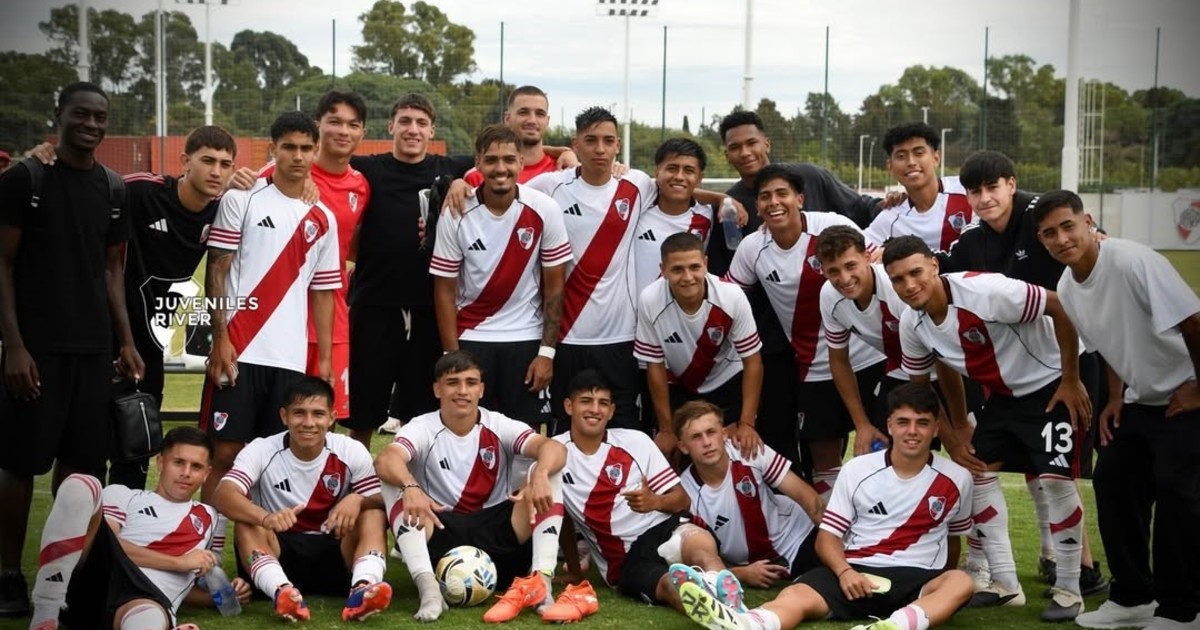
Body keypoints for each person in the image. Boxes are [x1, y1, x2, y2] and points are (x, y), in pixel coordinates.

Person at [884, 235, 1092, 621]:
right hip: (1004, 394)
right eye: (898, 279)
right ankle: (1006, 585)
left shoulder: (986, 291)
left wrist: (1070, 378)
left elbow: (1060, 306)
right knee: (976, 473)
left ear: (934, 265)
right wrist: (955, 433)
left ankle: (1070, 589)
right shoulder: (911, 322)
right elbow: (927, 384)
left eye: (916, 273)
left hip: (1052, 380)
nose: (909, 285)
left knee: (1056, 481)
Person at [0, 81, 144, 617]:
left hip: (93, 352)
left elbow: (112, 270)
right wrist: (14, 346)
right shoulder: (26, 179)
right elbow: (3, 264)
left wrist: (125, 341)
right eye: (81, 114)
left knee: (82, 470)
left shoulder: (113, 188)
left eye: (100, 116)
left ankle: (60, 582)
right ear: (58, 114)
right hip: (36, 350)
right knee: (19, 464)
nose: (91, 124)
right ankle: (8, 576)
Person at [674, 383, 975, 630]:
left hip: (916, 577)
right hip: (856, 569)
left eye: (922, 423)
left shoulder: (958, 479)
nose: (912, 431)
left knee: (960, 582)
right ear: (889, 425)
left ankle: (895, 626)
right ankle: (747, 624)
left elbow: (953, 542)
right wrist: (844, 571)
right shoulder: (857, 470)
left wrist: (937, 583)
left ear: (936, 428)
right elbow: (828, 536)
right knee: (795, 593)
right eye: (903, 422)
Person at [941, 150, 1106, 597]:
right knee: (1006, 464)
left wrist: (1072, 378)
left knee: (1059, 469)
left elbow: (1088, 251)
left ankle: (1082, 570)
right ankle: (1013, 567)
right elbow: (939, 276)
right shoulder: (970, 241)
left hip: (1072, 360)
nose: (984, 198)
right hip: (1016, 370)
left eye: (992, 187)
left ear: (1011, 185)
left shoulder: (1041, 216)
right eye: (975, 191)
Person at [1034, 190, 1200, 630]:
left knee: (1177, 490)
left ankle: (1184, 610)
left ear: (1088, 223)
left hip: (1187, 394)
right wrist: (1114, 397)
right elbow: (1109, 343)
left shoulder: (1130, 261)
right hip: (1141, 399)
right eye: (1049, 233)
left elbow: (1193, 321)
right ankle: (1133, 598)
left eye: (1068, 226)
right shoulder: (1068, 287)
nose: (1061, 239)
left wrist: (1199, 390)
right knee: (1113, 479)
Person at [708, 111, 881, 481]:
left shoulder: (832, 225)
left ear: (800, 198)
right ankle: (828, 519)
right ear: (757, 206)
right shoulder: (752, 247)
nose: (774, 202)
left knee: (885, 448)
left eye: (782, 194)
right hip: (814, 363)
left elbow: (877, 262)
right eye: (765, 197)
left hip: (868, 354)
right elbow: (727, 296)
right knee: (823, 459)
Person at [199, 111, 340, 504]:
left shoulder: (323, 218)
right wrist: (220, 338)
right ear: (272, 149)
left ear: (316, 151)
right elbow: (217, 271)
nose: (298, 156)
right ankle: (207, 537)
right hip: (239, 349)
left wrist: (324, 360)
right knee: (224, 452)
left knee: (273, 457)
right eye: (289, 147)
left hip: (289, 358)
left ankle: (262, 542)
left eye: (306, 148)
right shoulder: (241, 199)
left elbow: (323, 293)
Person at [374, 350, 568, 623]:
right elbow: (385, 459)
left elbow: (554, 448)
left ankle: (542, 584)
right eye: (453, 383)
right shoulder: (421, 427)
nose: (462, 391)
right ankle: (429, 590)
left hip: (500, 534)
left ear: (481, 389)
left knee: (549, 472)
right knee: (394, 481)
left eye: (471, 382)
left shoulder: (499, 424)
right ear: (437, 389)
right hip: (442, 532)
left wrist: (540, 473)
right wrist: (410, 486)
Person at [553, 370, 745, 617]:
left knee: (701, 552)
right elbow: (561, 515)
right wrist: (574, 570)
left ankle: (728, 600)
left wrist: (655, 501)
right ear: (569, 406)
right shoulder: (555, 452)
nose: (595, 410)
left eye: (603, 403)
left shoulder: (636, 442)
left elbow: (682, 499)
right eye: (586, 401)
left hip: (664, 528)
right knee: (670, 587)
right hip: (626, 558)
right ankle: (716, 613)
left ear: (611, 411)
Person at [27, 426, 250, 630]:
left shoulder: (210, 518)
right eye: (178, 462)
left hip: (146, 600)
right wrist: (179, 562)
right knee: (81, 484)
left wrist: (222, 595)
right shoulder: (123, 495)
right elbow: (110, 548)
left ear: (207, 474)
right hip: (94, 584)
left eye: (196, 466)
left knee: (147, 617)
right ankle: (46, 611)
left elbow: (189, 580)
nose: (186, 472)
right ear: (160, 463)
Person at [346, 93, 474, 445]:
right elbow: (319, 157)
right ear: (391, 126)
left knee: (422, 416)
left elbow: (512, 152)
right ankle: (357, 476)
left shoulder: (451, 169)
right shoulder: (368, 168)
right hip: (374, 306)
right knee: (362, 413)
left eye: (421, 123)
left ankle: (413, 478)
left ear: (432, 130)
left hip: (429, 310)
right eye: (404, 121)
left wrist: (564, 152)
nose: (412, 129)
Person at [211, 376, 391, 622]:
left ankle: (362, 588)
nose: (308, 423)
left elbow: (384, 500)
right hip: (278, 555)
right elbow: (223, 494)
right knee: (247, 521)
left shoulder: (350, 450)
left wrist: (359, 499)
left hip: (336, 555)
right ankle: (282, 592)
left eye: (318, 414)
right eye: (299, 413)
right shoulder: (261, 449)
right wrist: (266, 517)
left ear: (332, 417)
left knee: (373, 514)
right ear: (284, 416)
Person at [430, 124, 571, 424]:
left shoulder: (545, 209)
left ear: (521, 162)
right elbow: (443, 290)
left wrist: (547, 353)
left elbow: (555, 288)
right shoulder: (455, 212)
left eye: (508, 159)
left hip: (526, 338)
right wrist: (451, 355)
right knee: (470, 432)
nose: (501, 168)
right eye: (491, 160)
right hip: (472, 337)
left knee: (524, 436)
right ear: (478, 163)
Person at [260, 91, 371, 441]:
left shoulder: (360, 185)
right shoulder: (279, 172)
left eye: (352, 124)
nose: (343, 131)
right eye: (334, 122)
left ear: (362, 132)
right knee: (277, 415)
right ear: (318, 125)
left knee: (325, 414)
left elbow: (351, 245)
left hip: (331, 317)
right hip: (281, 313)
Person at [635, 232, 762, 455]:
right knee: (673, 452)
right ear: (663, 270)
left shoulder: (731, 296)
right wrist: (666, 429)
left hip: (726, 380)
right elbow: (654, 366)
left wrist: (747, 423)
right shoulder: (650, 299)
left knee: (737, 450)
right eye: (677, 269)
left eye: (694, 267)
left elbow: (752, 361)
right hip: (679, 383)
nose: (687, 277)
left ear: (705, 264)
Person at [675, 401, 824, 587]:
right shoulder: (685, 493)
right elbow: (699, 558)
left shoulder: (749, 451)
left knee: (840, 572)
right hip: (751, 565)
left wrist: (833, 534)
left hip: (796, 537)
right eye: (696, 437)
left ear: (724, 434)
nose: (707, 442)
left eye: (711, 432)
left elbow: (805, 495)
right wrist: (740, 573)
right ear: (683, 447)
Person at [815, 225, 925, 455]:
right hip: (901, 369)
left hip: (946, 367)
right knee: (881, 453)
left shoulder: (895, 288)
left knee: (971, 451)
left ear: (867, 257)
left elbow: (941, 349)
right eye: (833, 271)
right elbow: (839, 361)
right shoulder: (828, 296)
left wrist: (955, 427)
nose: (844, 278)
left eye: (850, 266)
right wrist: (862, 425)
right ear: (822, 270)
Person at [864, 122, 973, 252]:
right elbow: (859, 248)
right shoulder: (890, 218)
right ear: (890, 167)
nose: (911, 162)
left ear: (936, 158)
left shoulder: (968, 190)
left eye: (919, 153)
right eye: (901, 156)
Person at [632, 138, 715, 296]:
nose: (679, 176)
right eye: (672, 168)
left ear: (699, 178)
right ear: (657, 172)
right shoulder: (636, 209)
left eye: (688, 171)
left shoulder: (708, 217)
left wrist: (724, 199)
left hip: (680, 309)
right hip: (633, 310)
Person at [463, 85, 577, 186]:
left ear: (547, 121)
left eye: (540, 114)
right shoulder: (478, 176)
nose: (532, 120)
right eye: (523, 112)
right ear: (507, 119)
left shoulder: (566, 169)